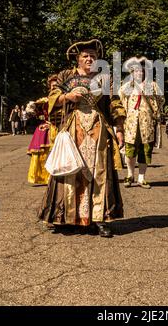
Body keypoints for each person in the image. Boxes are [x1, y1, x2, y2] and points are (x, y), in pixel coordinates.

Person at [38, 39, 125, 238]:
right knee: (71, 170)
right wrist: (67, 97)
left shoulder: (105, 79)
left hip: (98, 129)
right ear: (77, 59)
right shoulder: (66, 76)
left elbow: (115, 103)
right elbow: (52, 97)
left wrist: (119, 128)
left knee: (99, 173)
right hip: (73, 128)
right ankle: (68, 217)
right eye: (85, 56)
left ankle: (99, 218)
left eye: (93, 56)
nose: (89, 59)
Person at [119, 56, 164, 189]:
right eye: (136, 71)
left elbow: (161, 100)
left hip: (146, 123)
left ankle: (141, 177)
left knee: (145, 150)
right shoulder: (126, 86)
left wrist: (154, 110)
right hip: (131, 123)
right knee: (130, 150)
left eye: (141, 71)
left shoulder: (153, 85)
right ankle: (130, 175)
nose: (139, 73)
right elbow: (121, 101)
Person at [27, 75, 59, 185]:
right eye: (53, 86)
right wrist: (32, 109)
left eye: (57, 85)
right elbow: (40, 114)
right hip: (45, 128)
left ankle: (55, 177)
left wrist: (52, 124)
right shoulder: (44, 100)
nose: (55, 87)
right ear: (49, 87)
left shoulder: (64, 98)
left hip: (58, 127)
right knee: (41, 152)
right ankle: (42, 177)